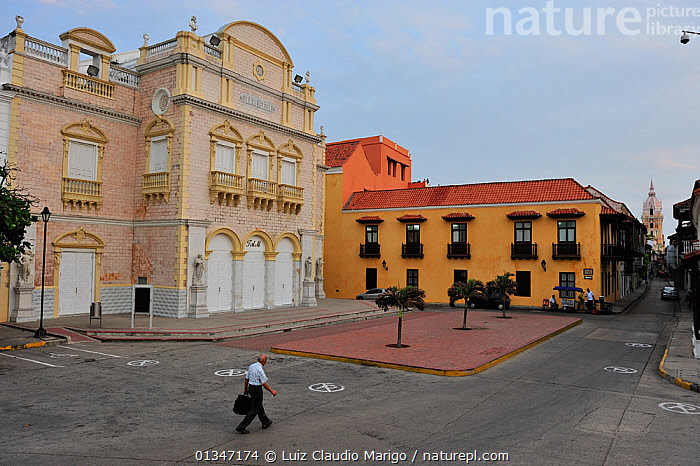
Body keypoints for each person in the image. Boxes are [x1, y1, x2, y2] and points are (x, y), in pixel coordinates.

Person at [236, 354, 276, 434]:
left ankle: (265, 421)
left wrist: (245, 388)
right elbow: (264, 384)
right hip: (257, 389)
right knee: (254, 409)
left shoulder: (252, 366)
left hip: (251, 388)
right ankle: (241, 426)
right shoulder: (260, 370)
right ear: (263, 361)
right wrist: (272, 391)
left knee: (258, 404)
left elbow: (246, 378)